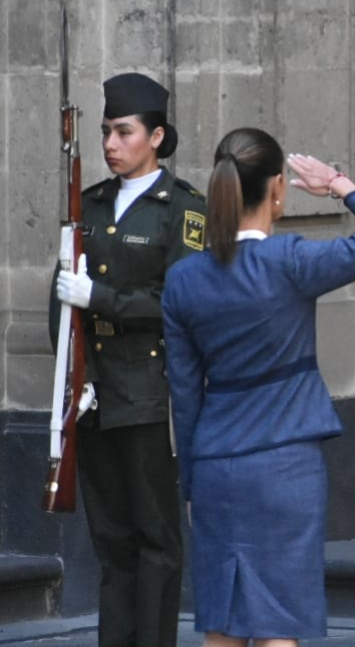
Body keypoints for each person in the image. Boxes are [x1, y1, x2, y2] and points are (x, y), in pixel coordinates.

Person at [161, 129, 355, 646]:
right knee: (279, 625)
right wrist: (341, 184)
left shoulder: (183, 280)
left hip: (215, 465)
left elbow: (185, 399)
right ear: (278, 188)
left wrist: (190, 484)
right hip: (285, 467)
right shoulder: (292, 261)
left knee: (222, 626)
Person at [52, 72, 205, 647]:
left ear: (157, 137)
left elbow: (180, 303)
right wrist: (72, 374)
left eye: (124, 132)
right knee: (112, 542)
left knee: (156, 542)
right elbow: (59, 298)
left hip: (146, 391)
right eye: (105, 133)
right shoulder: (88, 204)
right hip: (96, 393)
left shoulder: (182, 210)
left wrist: (103, 299)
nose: (111, 144)